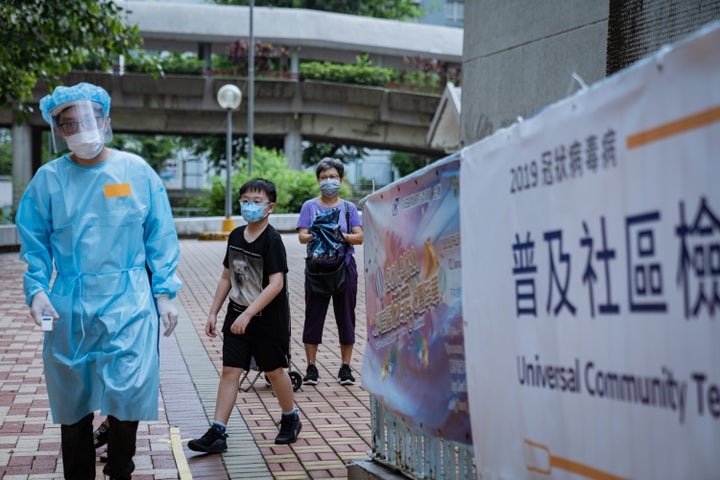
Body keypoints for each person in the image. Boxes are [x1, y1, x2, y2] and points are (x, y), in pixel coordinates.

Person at [15, 82, 182, 480]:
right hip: (71, 303)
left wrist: (164, 293)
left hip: (130, 301)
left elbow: (159, 235)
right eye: (68, 123)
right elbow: (34, 241)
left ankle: (120, 468)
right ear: (58, 130)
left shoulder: (135, 172)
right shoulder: (48, 180)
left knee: (128, 393)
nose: (80, 129)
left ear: (106, 119)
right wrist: (37, 290)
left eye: (87, 119)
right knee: (72, 398)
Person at [188, 178, 301, 452]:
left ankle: (290, 418)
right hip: (236, 314)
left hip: (267, 319)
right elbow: (227, 276)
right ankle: (218, 432)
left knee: (274, 371)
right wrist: (214, 312)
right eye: (245, 200)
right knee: (230, 371)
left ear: (270, 207)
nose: (250, 206)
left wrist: (249, 314)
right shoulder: (236, 235)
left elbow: (277, 284)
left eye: (257, 201)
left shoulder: (273, 240)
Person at [296, 157, 363, 386]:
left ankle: (345, 367)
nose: (328, 181)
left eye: (333, 177)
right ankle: (311, 367)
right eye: (324, 177)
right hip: (316, 269)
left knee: (346, 317)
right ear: (318, 181)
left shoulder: (348, 208)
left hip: (344, 268)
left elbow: (360, 237)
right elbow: (302, 236)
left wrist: (339, 235)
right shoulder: (309, 206)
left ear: (341, 180)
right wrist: (319, 232)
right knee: (313, 318)